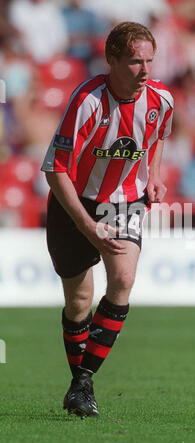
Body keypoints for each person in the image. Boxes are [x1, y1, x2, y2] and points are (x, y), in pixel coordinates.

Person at [41, 21, 174, 418]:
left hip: (123, 202)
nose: (146, 71)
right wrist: (86, 225)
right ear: (112, 59)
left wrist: (155, 173)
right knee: (79, 301)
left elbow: (159, 134)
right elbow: (55, 169)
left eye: (150, 60)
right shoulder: (87, 102)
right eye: (135, 62)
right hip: (74, 204)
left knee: (123, 279)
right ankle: (80, 384)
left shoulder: (161, 99)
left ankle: (82, 383)